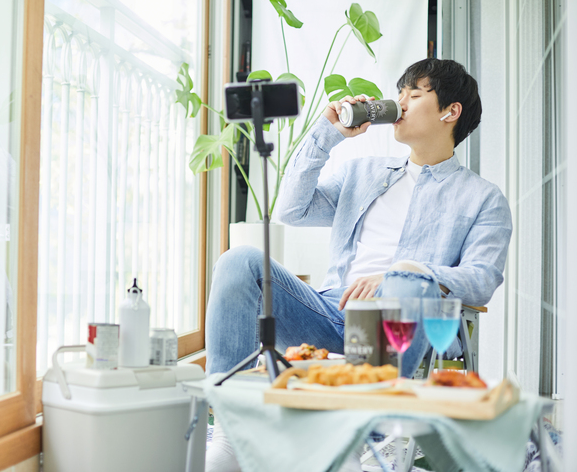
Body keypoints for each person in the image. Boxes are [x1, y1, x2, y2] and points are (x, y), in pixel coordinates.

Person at [204, 59, 513, 472]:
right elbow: (292, 209)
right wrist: (327, 133)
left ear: (450, 112)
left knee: (407, 283)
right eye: (400, 93)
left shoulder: (483, 198)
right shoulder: (363, 172)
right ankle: (231, 434)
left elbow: (482, 278)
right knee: (239, 261)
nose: (401, 102)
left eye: (414, 94)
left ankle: (351, 439)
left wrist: (404, 272)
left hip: (404, 322)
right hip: (330, 312)